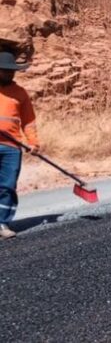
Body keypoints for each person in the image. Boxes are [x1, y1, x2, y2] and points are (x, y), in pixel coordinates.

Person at [0, 52, 39, 239]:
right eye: (4, 70)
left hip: (11, 148)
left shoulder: (20, 93)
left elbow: (28, 121)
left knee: (7, 186)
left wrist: (33, 142)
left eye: (11, 71)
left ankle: (2, 224)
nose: (8, 74)